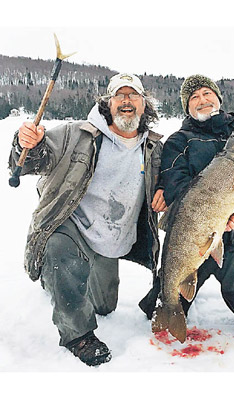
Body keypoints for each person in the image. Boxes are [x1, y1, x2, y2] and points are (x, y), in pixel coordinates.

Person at [9, 73, 167, 367]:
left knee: (105, 306)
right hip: (70, 223)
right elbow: (33, 160)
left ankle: (60, 281)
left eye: (133, 95)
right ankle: (77, 335)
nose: (126, 101)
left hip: (111, 236)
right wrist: (26, 143)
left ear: (145, 104)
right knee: (60, 255)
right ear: (108, 103)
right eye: (119, 95)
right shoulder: (76, 133)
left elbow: (174, 182)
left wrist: (166, 193)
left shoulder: (155, 148)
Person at [139, 74, 234, 340]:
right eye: (194, 97)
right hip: (194, 238)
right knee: (164, 299)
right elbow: (176, 184)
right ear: (187, 107)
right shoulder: (179, 140)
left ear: (218, 98)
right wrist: (216, 216)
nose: (202, 100)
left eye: (207, 93)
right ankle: (169, 305)